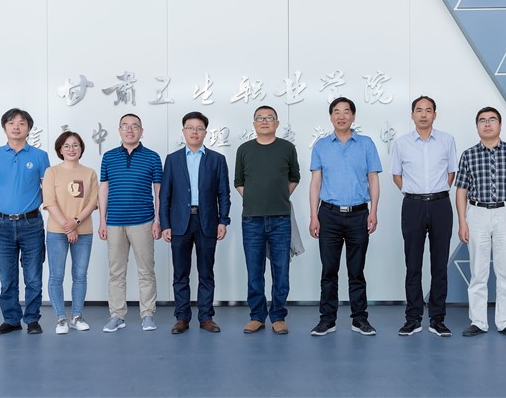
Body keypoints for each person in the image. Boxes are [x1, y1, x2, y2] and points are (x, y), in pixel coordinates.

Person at [309, 97, 381, 336]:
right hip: (328, 215)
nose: (341, 116)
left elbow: (373, 179)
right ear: (331, 117)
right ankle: (327, 320)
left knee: (356, 271)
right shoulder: (321, 146)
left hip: (358, 215)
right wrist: (314, 215)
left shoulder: (366, 144)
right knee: (329, 271)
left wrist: (374, 211)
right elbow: (316, 182)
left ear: (353, 116)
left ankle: (360, 319)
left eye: (346, 111)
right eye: (337, 112)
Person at [455, 106, 506, 339]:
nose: (487, 124)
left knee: (505, 270)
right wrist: (462, 221)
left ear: (500, 125)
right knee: (478, 271)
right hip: (476, 213)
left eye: (492, 119)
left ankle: (505, 321)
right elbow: (461, 191)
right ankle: (478, 321)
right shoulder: (468, 155)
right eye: (482, 120)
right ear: (477, 127)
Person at [390, 96, 457, 337]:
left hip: (440, 205)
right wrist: (414, 193)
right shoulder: (401, 143)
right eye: (419, 110)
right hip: (413, 206)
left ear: (434, 115)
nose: (423, 114)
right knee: (413, 265)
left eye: (428, 110)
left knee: (439, 265)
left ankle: (438, 319)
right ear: (412, 115)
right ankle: (413, 318)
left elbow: (451, 172)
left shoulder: (447, 140)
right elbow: (396, 175)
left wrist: (436, 193)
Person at [159, 112, 231, 334]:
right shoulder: (173, 159)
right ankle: (182, 317)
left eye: (199, 128)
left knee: (206, 272)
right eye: (190, 128)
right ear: (183, 131)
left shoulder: (217, 159)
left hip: (207, 221)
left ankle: (206, 317)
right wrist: (165, 224)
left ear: (205, 133)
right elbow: (165, 195)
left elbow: (224, 193)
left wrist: (223, 220)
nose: (194, 132)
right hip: (179, 223)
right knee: (180, 273)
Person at [234, 105, 301, 335]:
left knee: (281, 271)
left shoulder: (287, 148)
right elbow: (239, 181)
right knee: (254, 271)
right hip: (251, 219)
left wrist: (278, 197)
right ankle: (257, 316)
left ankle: (278, 316)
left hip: (281, 218)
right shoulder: (244, 149)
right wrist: (254, 199)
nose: (264, 121)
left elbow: (295, 177)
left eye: (269, 118)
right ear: (254, 124)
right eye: (260, 118)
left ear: (277, 123)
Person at [0, 108, 51, 335]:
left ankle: (32, 319)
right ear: (4, 127)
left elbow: (47, 188)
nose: (16, 127)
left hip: (31, 224)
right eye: (11, 122)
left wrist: (26, 204)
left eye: (22, 123)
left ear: (29, 128)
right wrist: (8, 203)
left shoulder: (40, 156)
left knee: (33, 277)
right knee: (7, 277)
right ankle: (11, 320)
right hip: (2, 225)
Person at [98, 113, 163, 333]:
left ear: (141, 131)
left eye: (135, 126)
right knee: (116, 272)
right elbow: (104, 189)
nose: (130, 130)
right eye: (125, 126)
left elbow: (158, 191)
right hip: (114, 223)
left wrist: (158, 220)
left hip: (143, 222)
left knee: (146, 271)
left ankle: (148, 314)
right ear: (119, 131)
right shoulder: (109, 157)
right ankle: (117, 315)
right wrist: (102, 221)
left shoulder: (152, 157)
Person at [41, 131, 98, 334]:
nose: (71, 149)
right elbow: (49, 202)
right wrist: (67, 226)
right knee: (56, 276)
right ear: (60, 150)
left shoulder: (90, 173)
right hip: (57, 231)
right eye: (66, 146)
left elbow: (93, 202)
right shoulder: (52, 172)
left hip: (84, 231)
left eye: (75, 145)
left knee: (80, 275)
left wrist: (75, 222)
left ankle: (77, 316)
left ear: (81, 148)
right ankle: (60, 319)